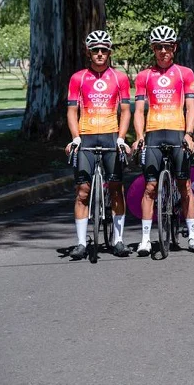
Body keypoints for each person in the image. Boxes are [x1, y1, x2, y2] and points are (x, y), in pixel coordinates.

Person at [131, 25, 194, 255]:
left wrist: (189, 134)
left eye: (168, 46)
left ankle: (193, 236)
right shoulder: (144, 76)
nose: (164, 51)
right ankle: (145, 240)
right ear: (153, 49)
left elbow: (191, 107)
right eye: (159, 47)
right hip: (153, 134)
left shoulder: (185, 73)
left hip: (177, 133)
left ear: (174, 48)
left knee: (185, 186)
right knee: (151, 187)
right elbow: (139, 111)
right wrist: (140, 137)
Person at [65, 30, 132, 259]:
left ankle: (119, 240)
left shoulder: (120, 78)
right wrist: (75, 137)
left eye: (104, 50)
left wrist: (122, 138)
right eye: (96, 50)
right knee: (82, 191)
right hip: (86, 136)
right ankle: (82, 243)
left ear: (109, 52)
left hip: (111, 136)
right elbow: (72, 111)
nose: (100, 54)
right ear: (89, 52)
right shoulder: (78, 78)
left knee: (115, 188)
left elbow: (125, 111)